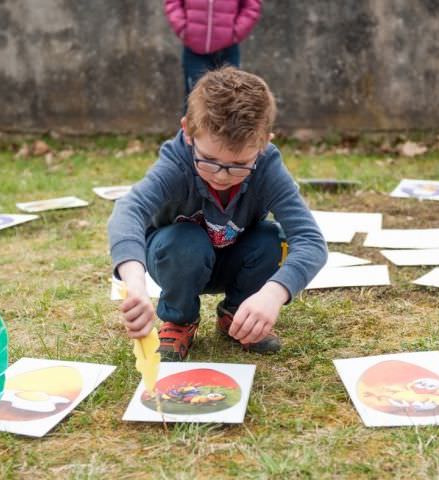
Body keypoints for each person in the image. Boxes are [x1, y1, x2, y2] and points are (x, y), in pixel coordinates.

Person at [108, 67, 328, 361]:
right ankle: (180, 318)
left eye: (238, 165)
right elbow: (128, 211)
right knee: (183, 243)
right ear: (188, 131)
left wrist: (273, 294)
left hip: (234, 259)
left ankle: (238, 312)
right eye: (209, 161)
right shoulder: (177, 161)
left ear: (263, 144)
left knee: (272, 240)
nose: (222, 176)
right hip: (179, 260)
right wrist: (135, 283)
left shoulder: (267, 166)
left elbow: (310, 241)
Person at [164, 0, 262, 101]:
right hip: (194, 51)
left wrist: (236, 33)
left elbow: (251, 5)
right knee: (195, 102)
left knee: (229, 102)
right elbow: (173, 2)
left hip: (227, 50)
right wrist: (182, 29)